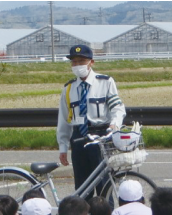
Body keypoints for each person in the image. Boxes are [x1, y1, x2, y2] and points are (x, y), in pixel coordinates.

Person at [57, 44, 126, 201]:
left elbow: (118, 108)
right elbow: (63, 119)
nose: (77, 65)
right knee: (82, 188)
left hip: (100, 135)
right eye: (74, 62)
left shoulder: (105, 82)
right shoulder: (68, 88)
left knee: (104, 185)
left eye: (81, 61)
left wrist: (115, 124)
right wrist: (63, 146)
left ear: (91, 62)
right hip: (78, 138)